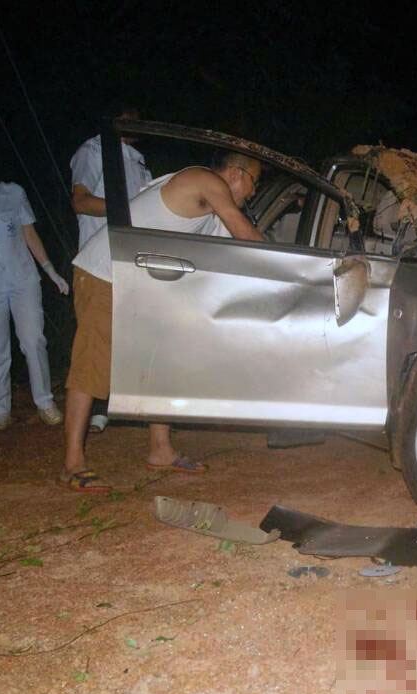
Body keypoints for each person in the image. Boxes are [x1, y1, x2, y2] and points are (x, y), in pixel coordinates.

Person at [60, 152, 265, 492]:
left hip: (141, 284)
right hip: (106, 272)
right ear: (234, 173)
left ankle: (161, 449)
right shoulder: (204, 179)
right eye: (254, 182)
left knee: (159, 364)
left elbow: (235, 254)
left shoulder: (212, 210)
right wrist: (298, 264)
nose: (254, 192)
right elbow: (246, 235)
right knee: (91, 364)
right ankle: (72, 464)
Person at [0, 140, 70, 430]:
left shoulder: (13, 193)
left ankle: (45, 402)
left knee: (33, 340)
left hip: (23, 277)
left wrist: (51, 271)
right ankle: (1, 408)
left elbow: (29, 234)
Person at [68, 103, 151, 435]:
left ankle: (125, 405)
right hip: (98, 260)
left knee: (132, 335)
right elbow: (81, 200)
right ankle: (96, 410)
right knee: (96, 342)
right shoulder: (92, 150)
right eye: (126, 117)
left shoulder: (139, 161)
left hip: (131, 259)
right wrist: (126, 211)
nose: (132, 123)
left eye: (136, 118)